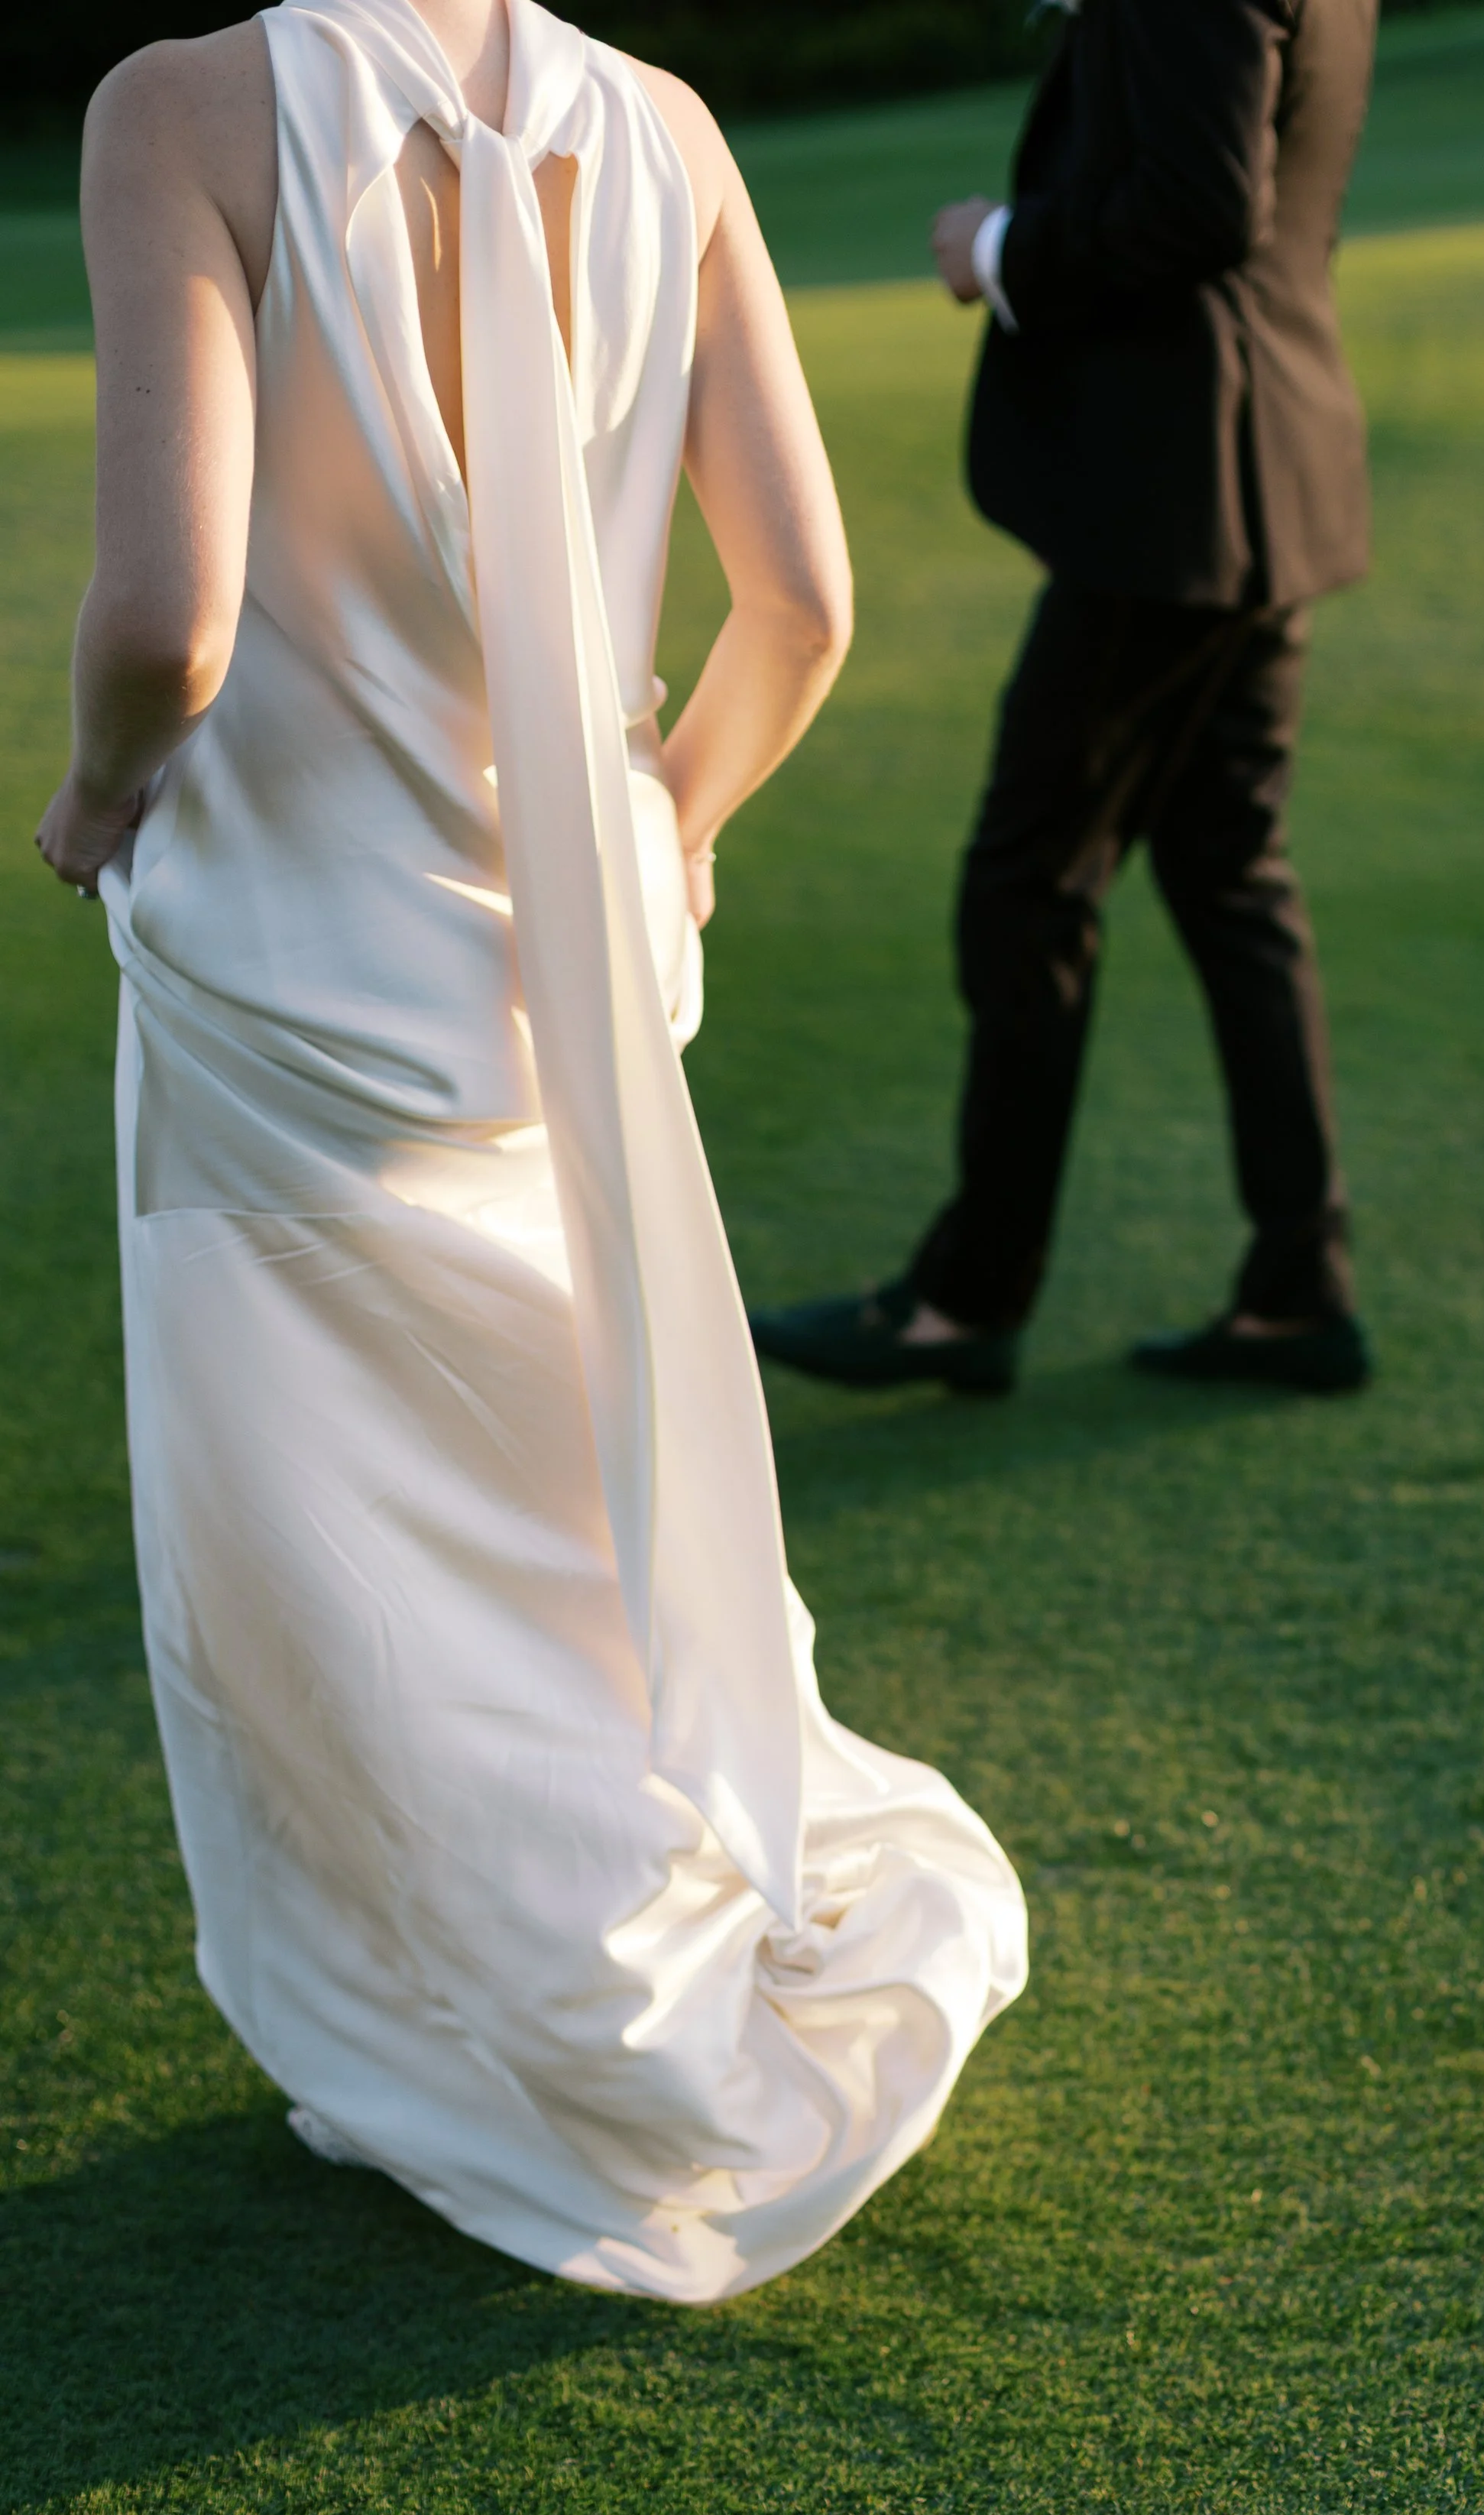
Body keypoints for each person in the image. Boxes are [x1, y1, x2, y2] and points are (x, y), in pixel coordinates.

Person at [34, 0, 1026, 2303]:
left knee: (330, 1549)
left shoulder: (175, 112)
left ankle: (460, 2037)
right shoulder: (663, 122)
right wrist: (667, 829)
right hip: (560, 967)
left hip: (291, 972)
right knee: (564, 1509)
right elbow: (804, 603)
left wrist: (91, 805)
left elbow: (169, 624)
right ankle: (610, 1964)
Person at [750, 0, 1379, 1399]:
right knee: (1228, 870)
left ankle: (969, 1299)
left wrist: (997, 246)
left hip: (1176, 501)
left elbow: (1203, 205)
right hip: (1268, 466)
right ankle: (1298, 1286)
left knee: (1029, 883)